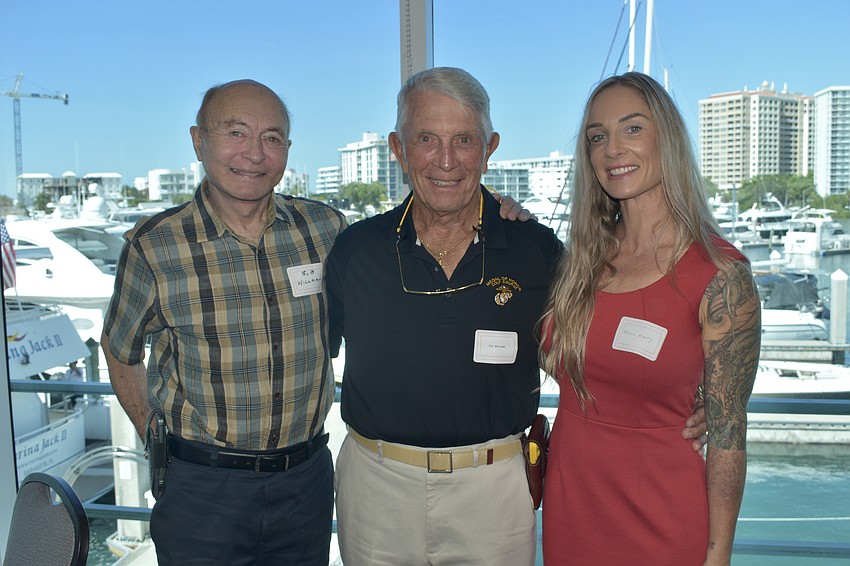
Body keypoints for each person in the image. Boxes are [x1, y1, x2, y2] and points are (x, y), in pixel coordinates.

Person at [327, 67, 708, 566]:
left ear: (490, 149)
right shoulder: (356, 250)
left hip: (496, 491)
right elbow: (311, 353)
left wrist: (687, 395)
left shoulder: (537, 249)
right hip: (376, 487)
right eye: (427, 139)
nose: (446, 160)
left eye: (465, 139)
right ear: (399, 149)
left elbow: (589, 352)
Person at [101, 79, 345, 565]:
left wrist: (493, 213)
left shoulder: (325, 230)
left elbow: (403, 246)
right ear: (198, 141)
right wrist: (153, 431)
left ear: (288, 151)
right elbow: (119, 348)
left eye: (272, 138)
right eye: (236, 133)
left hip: (306, 481)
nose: (254, 153)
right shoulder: (155, 246)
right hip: (203, 489)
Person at [539, 72, 760, 565]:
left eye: (632, 129)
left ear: (667, 138)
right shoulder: (581, 260)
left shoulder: (720, 274)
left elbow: (727, 436)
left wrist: (718, 554)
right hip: (571, 510)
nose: (612, 149)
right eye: (598, 137)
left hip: (660, 517)